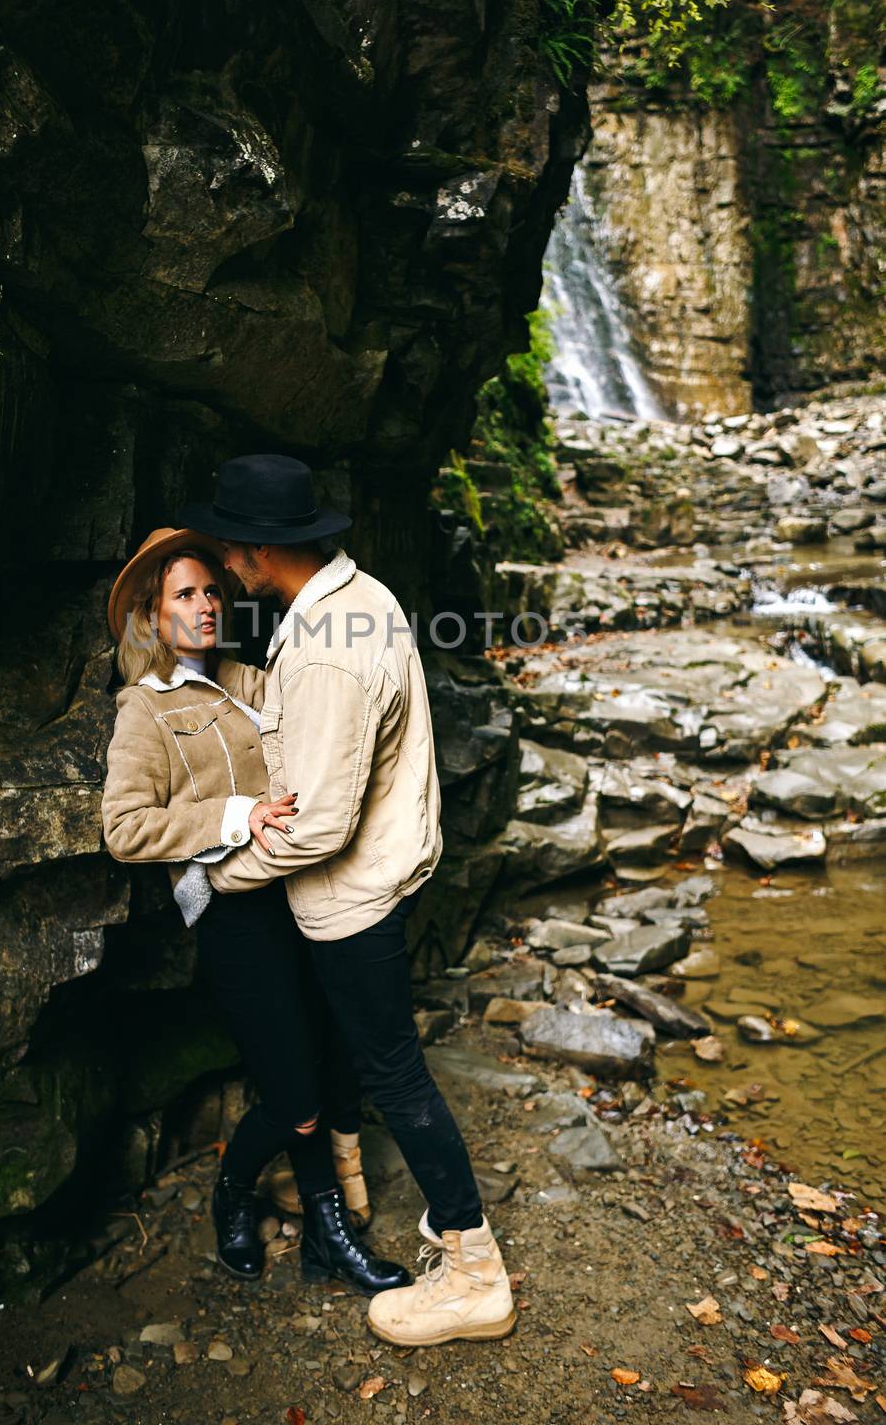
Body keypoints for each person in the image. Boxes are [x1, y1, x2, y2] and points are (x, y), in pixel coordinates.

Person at [177, 457, 516, 1347]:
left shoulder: (326, 651)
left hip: (350, 896)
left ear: (260, 550)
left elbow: (320, 825)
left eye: (229, 549)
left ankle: (474, 1270)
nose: (224, 568)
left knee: (394, 1075)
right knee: (349, 1054)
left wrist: (217, 875)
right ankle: (338, 1187)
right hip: (384, 871)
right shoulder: (361, 596)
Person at [100, 526, 410, 1297]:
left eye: (211, 590)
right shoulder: (144, 710)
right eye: (183, 595)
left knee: (326, 1068)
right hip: (234, 918)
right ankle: (235, 1191)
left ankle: (326, 1234)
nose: (204, 605)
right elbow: (125, 827)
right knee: (296, 1099)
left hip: (305, 894)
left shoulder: (258, 676)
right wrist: (235, 813)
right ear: (152, 614)